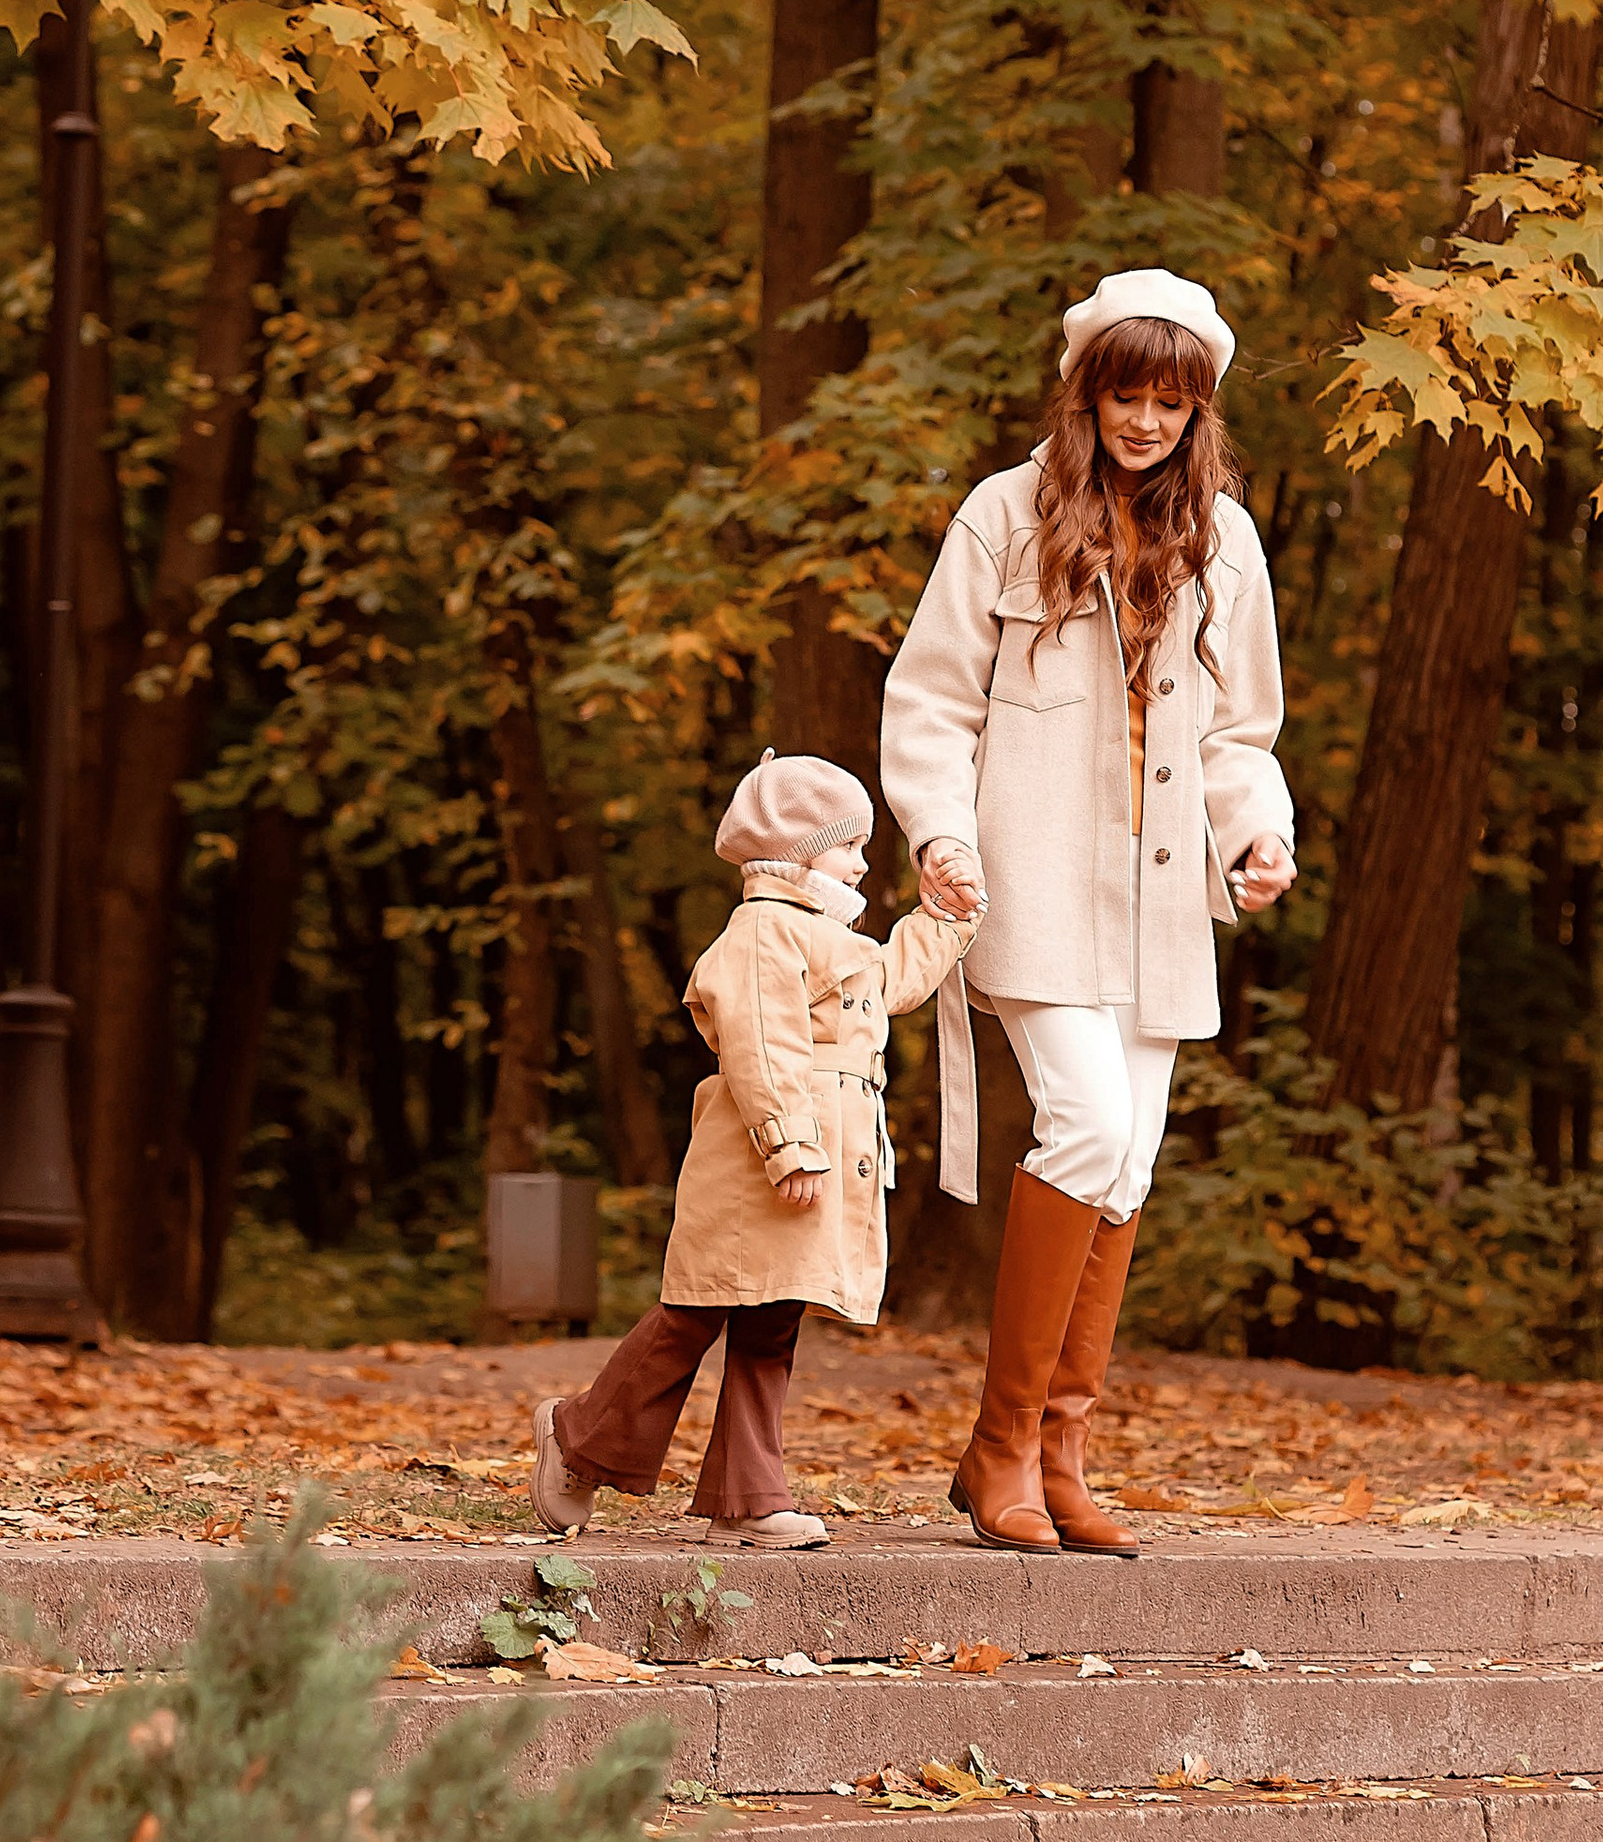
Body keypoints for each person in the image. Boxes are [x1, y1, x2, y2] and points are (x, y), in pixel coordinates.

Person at [881, 268, 1297, 1554]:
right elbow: (932, 700)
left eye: (1173, 400)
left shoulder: (1223, 539)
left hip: (1163, 898)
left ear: (1199, 408)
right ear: (1089, 389)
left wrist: (1261, 833)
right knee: (1085, 1124)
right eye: (1127, 391)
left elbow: (1241, 729)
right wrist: (940, 836)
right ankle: (1000, 1445)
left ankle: (1061, 1455)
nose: (1146, 420)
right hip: (1034, 878)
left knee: (1126, 1162)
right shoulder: (1006, 515)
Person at [531, 751, 980, 1547]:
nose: (864, 861)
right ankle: (577, 1439)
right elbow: (762, 1047)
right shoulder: (763, 932)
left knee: (772, 1322)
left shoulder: (825, 936)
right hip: (758, 1164)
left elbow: (894, 979)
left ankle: (749, 1496)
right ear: (800, 850)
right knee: (695, 1315)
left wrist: (946, 918)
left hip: (815, 1157)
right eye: (850, 846)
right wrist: (790, 1145)